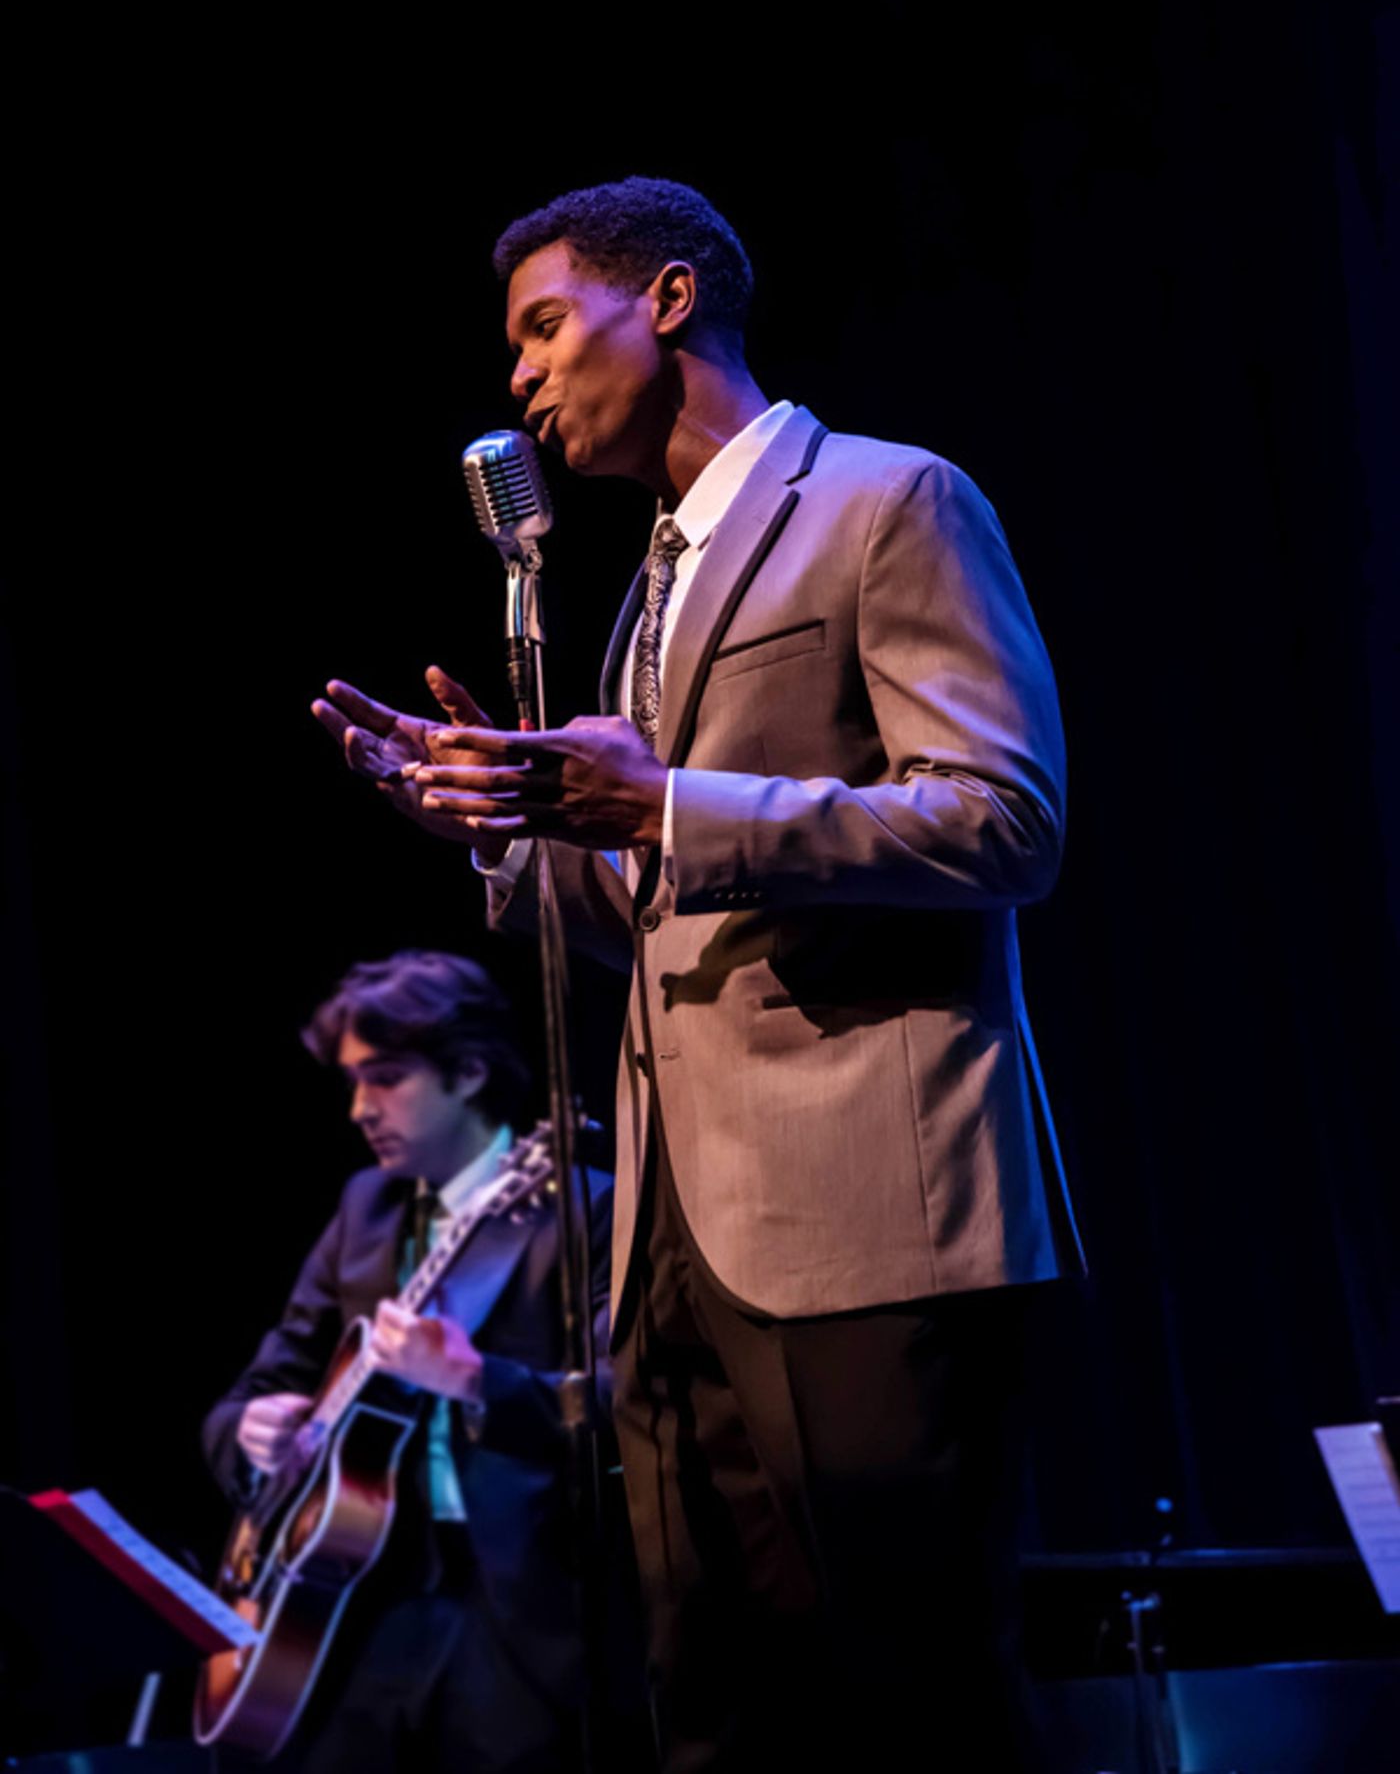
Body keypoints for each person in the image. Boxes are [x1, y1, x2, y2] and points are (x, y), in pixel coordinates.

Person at [313, 178, 1084, 1770]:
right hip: (671, 1240)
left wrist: (662, 800)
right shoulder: (642, 600)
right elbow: (657, 912)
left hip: (870, 1216)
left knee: (919, 1704)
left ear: (666, 300)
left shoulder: (887, 499)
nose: (520, 374)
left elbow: (1005, 821)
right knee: (721, 1711)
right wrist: (499, 822)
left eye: (544, 325)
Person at [203, 950, 615, 1773]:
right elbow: (261, 1386)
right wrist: (252, 1432)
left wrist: (475, 1379)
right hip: (353, 1604)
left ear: (468, 1071)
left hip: (520, 1601)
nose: (359, 1108)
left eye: (386, 1078)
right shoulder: (365, 1207)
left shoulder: (585, 1206)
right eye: (353, 1081)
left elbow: (627, 1404)